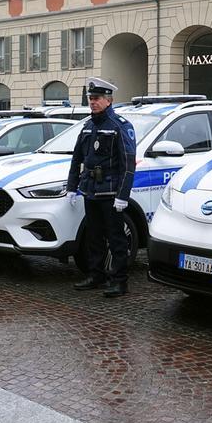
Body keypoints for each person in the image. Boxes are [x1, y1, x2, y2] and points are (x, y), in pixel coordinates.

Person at [66, 78, 137, 298]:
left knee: (116, 238)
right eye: (91, 98)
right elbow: (77, 158)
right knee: (94, 237)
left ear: (109, 100)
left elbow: (128, 163)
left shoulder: (119, 126)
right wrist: (72, 187)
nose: (92, 102)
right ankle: (96, 275)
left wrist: (122, 195)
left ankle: (119, 281)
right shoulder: (88, 126)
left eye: (96, 99)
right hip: (90, 189)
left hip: (110, 191)